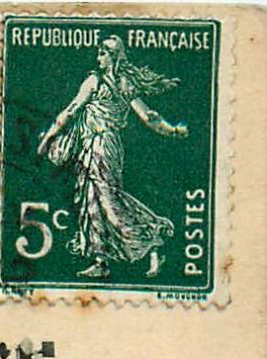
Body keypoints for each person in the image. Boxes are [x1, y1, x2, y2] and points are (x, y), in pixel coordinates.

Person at [37, 36, 187, 279]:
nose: (99, 56)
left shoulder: (94, 81)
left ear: (113, 56)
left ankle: (152, 239)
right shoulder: (125, 83)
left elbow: (72, 109)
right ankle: (105, 259)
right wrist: (172, 130)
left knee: (103, 200)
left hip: (99, 146)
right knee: (98, 199)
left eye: (103, 52)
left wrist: (47, 139)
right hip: (105, 146)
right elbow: (149, 117)